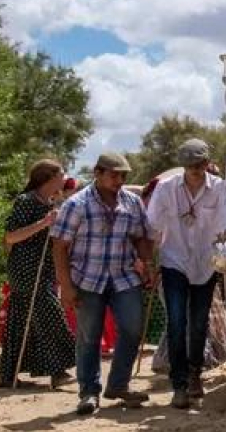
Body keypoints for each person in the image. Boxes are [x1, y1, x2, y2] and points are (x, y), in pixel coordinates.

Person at [50, 153, 156, 415]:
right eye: (114, 174)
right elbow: (60, 246)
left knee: (132, 329)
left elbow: (142, 236)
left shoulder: (132, 203)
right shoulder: (76, 204)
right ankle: (89, 392)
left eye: (123, 176)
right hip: (87, 278)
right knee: (89, 337)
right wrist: (66, 286)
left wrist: (146, 262)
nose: (119, 180)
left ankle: (119, 385)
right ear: (98, 172)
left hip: (124, 277)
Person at [145, 139, 226, 409]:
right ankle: (179, 384)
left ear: (207, 163)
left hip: (206, 263)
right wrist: (150, 263)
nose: (196, 170)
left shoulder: (220, 189)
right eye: (190, 166)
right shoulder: (166, 189)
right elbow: (153, 226)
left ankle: (196, 372)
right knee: (176, 322)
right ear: (183, 166)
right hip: (174, 260)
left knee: (199, 323)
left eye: (200, 164)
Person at [0, 159, 75, 390]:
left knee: (20, 321)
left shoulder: (49, 202)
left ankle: (7, 375)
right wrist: (43, 223)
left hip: (43, 269)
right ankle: (59, 370)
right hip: (25, 269)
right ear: (49, 177)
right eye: (61, 174)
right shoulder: (26, 201)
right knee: (51, 313)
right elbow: (10, 236)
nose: (64, 178)